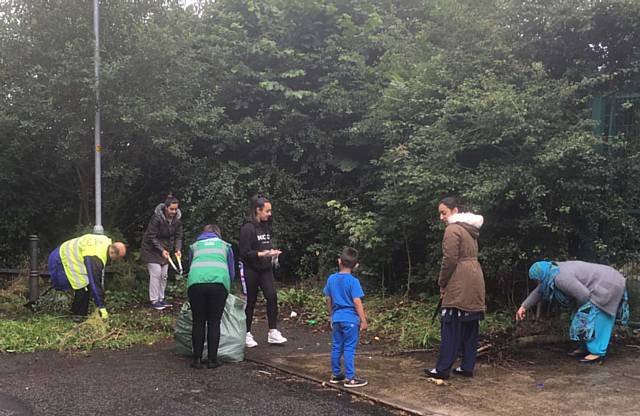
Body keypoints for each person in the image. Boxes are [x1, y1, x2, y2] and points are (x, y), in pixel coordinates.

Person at [516, 260, 629, 363]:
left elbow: (584, 296)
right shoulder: (552, 272)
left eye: (537, 280)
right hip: (599, 285)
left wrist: (581, 312)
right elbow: (540, 291)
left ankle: (597, 353)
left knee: (598, 319)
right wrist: (524, 306)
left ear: (542, 276)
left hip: (608, 285)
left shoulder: (560, 278)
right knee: (583, 318)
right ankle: (587, 347)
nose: (537, 283)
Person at [425, 197, 486, 380]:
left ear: (454, 210)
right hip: (475, 278)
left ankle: (442, 369)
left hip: (459, 280)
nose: (441, 217)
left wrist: (442, 283)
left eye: (443, 213)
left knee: (450, 324)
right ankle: (467, 367)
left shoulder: (452, 229)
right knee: (470, 324)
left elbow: (449, 259)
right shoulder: (470, 230)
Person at [238, 194, 287, 347]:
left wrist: (272, 252)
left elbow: (264, 245)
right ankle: (245, 333)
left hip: (265, 268)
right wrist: (261, 254)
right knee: (250, 301)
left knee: (272, 296)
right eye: (267, 211)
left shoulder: (265, 226)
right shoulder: (247, 228)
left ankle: (273, 332)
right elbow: (244, 253)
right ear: (258, 210)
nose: (269, 214)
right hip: (250, 269)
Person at [186, 224, 235, 369]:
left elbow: (191, 266)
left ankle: (197, 360)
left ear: (203, 234)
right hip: (218, 285)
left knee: (198, 321)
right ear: (218, 234)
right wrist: (228, 287)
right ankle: (213, 360)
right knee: (214, 321)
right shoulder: (225, 246)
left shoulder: (194, 246)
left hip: (196, 284)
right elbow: (231, 271)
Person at [47, 234, 126, 319]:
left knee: (85, 285)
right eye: (117, 259)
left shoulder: (105, 240)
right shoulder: (96, 258)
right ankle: (77, 316)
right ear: (113, 253)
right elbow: (95, 283)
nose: (115, 261)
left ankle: (79, 314)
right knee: (83, 287)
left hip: (63, 252)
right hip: (61, 260)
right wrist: (101, 307)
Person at [324, 247, 368, 388]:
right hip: (350, 320)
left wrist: (331, 315)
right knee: (349, 348)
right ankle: (350, 378)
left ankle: (336, 375)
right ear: (356, 265)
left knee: (337, 346)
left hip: (337, 318)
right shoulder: (353, 281)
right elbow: (357, 302)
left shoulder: (331, 279)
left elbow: (328, 299)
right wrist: (363, 320)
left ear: (339, 261)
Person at [140, 195, 183, 310]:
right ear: (166, 208)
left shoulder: (177, 221)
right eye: (171, 209)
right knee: (156, 273)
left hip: (165, 250)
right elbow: (151, 236)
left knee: (164, 275)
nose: (174, 211)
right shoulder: (156, 218)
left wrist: (177, 249)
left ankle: (161, 299)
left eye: (175, 209)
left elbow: (178, 236)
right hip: (151, 249)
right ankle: (154, 301)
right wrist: (161, 250)